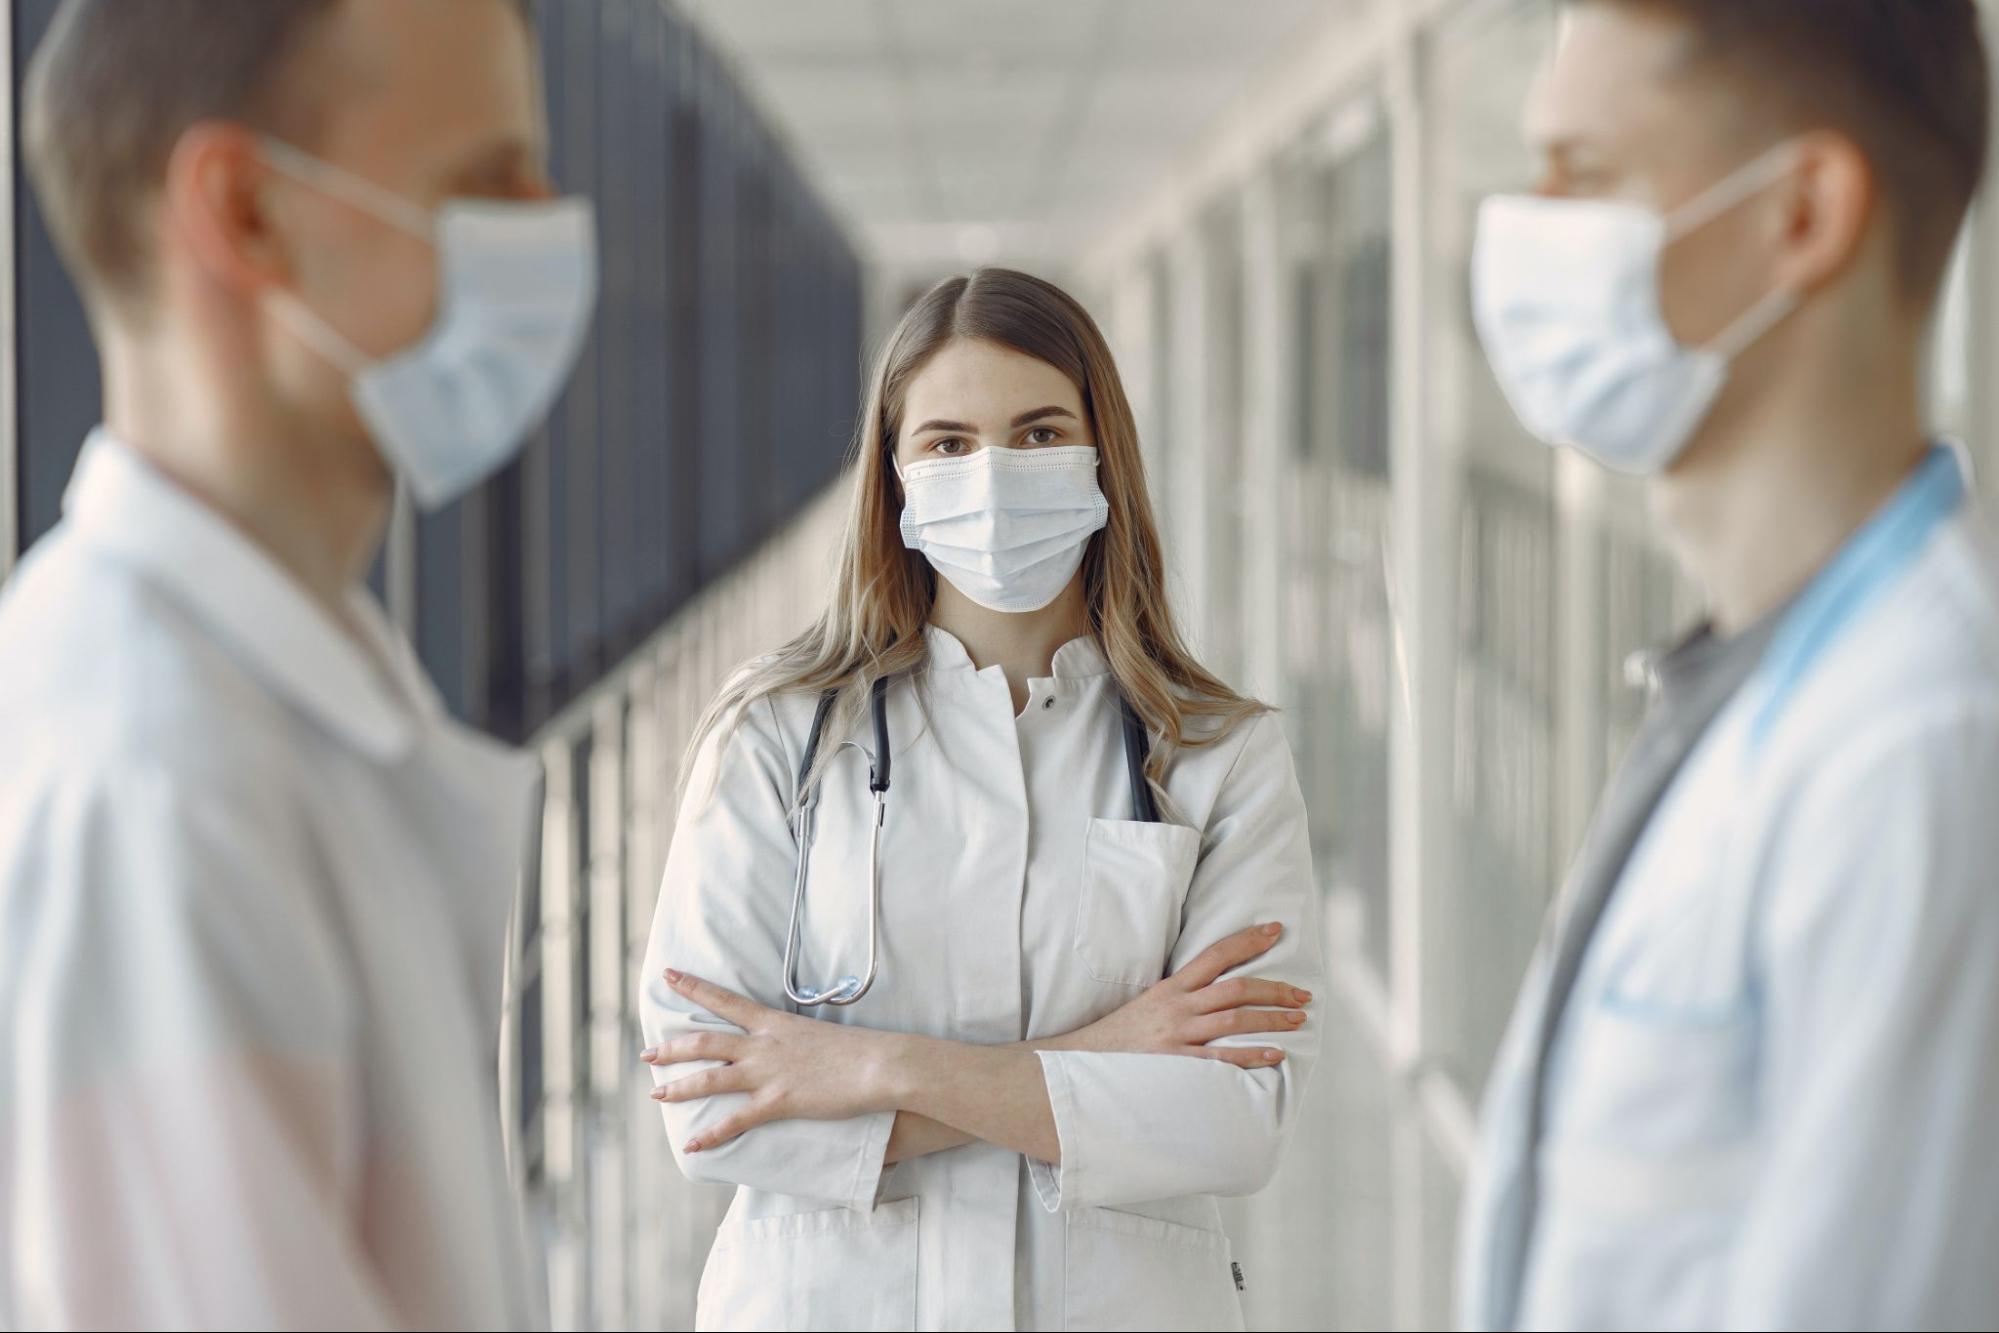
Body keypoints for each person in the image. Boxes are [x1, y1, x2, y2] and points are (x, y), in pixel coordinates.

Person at [0, 1, 594, 1326]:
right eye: (487, 180)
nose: (551, 225)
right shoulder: (154, 783)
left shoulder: (280, 697)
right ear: (249, 213)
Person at [637, 268, 1323, 1331]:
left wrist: (869, 1065)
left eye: (1040, 433)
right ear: (897, 479)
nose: (994, 474)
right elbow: (713, 1105)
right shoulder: (776, 733)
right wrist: (1108, 1055)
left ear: (1103, 460)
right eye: (949, 443)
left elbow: (1236, 1118)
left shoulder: (1218, 752)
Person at [1458, 2, 1998, 1328]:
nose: (1520, 229)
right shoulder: (1750, 686)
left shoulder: (1921, 750)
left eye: (1580, 175)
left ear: (1799, 214)